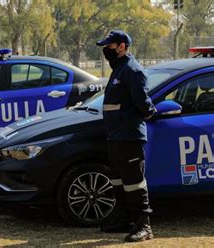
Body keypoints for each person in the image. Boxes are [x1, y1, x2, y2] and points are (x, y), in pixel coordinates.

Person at [96, 30, 156, 242]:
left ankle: (144, 227)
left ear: (121, 46)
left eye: (109, 46)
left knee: (134, 183)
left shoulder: (132, 70)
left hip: (129, 136)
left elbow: (142, 103)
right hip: (115, 136)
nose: (106, 50)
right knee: (118, 181)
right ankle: (124, 220)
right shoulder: (119, 69)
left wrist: (150, 112)